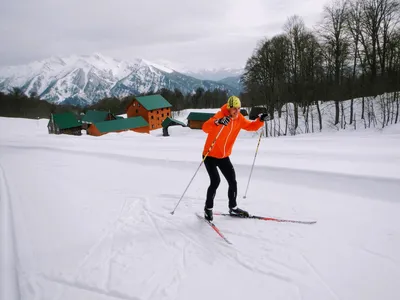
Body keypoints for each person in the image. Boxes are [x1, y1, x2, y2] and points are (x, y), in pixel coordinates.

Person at [201, 96, 268, 221]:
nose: (236, 111)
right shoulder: (220, 115)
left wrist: (260, 120)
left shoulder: (239, 118)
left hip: (224, 156)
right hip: (209, 155)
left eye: (238, 108)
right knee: (215, 181)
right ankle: (208, 209)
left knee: (232, 181)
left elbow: (251, 126)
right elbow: (205, 127)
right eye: (234, 109)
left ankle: (233, 207)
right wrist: (218, 122)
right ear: (228, 108)